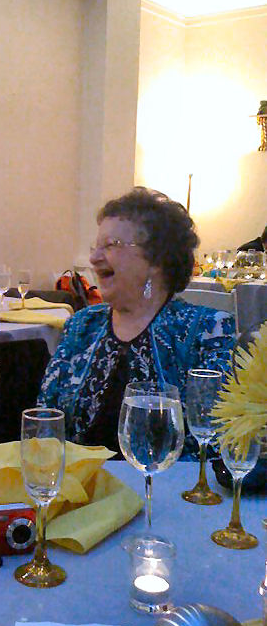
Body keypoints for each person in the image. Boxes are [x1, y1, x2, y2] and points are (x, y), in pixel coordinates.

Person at [38, 187, 236, 459]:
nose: (94, 258)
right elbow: (46, 422)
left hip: (166, 484)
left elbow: (214, 444)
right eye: (96, 247)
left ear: (156, 259)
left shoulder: (208, 331)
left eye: (111, 245)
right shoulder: (81, 325)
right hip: (80, 483)